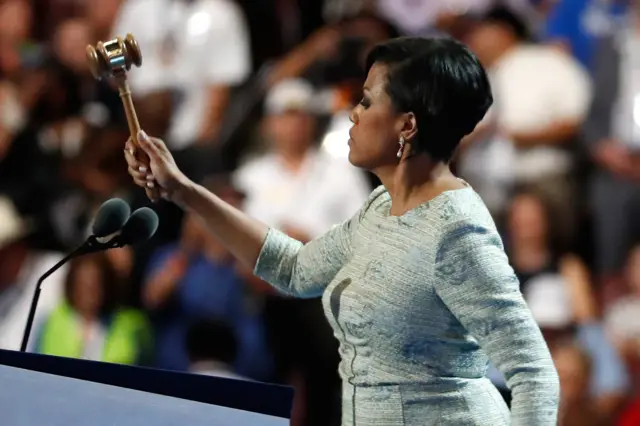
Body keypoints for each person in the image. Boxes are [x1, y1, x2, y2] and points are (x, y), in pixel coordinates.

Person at [124, 37, 559, 425]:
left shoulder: (457, 231)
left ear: (406, 126)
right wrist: (184, 191)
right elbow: (292, 269)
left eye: (367, 101)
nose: (353, 112)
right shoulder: (381, 206)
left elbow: (534, 373)